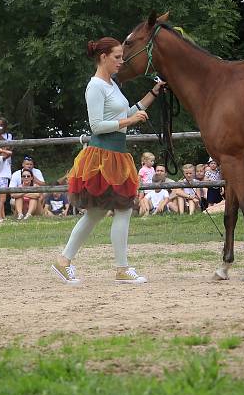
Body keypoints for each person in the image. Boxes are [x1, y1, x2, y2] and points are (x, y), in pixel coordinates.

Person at [52, 36, 165, 284]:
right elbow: (97, 126)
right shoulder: (95, 86)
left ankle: (66, 261)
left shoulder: (112, 85)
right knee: (112, 211)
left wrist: (153, 94)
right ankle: (119, 268)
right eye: (116, 57)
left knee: (102, 213)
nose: (121, 62)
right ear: (103, 57)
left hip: (116, 155)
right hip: (102, 156)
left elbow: (128, 112)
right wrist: (129, 121)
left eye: (121, 57)